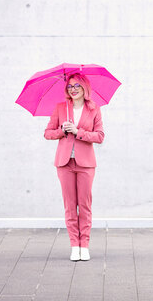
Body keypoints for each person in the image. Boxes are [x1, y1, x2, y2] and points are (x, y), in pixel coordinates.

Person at [44, 73, 104, 261]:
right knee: (70, 206)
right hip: (64, 163)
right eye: (70, 86)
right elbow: (47, 133)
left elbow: (100, 136)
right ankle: (74, 245)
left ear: (84, 87)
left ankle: (84, 245)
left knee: (84, 206)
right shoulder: (61, 108)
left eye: (77, 85)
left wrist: (78, 132)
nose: (74, 89)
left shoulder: (94, 109)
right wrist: (62, 130)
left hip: (86, 164)